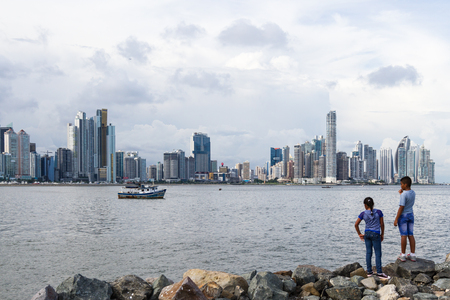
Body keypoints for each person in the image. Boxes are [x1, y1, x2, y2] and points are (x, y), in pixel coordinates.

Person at [355, 197, 390, 279]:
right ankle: (379, 272)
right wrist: (382, 234)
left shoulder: (363, 214)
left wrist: (359, 234)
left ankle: (369, 272)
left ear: (365, 205)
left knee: (368, 253)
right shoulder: (379, 212)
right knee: (378, 253)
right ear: (373, 204)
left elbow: (356, 224)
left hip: (367, 234)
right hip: (376, 234)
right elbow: (382, 224)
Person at [394, 176, 416, 262]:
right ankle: (412, 255)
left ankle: (403, 255)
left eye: (401, 184)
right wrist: (401, 194)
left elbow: (401, 207)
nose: (400, 186)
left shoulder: (403, 195)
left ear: (405, 184)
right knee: (410, 234)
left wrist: (396, 219)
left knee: (403, 235)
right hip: (411, 214)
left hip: (403, 216)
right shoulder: (413, 192)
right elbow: (407, 201)